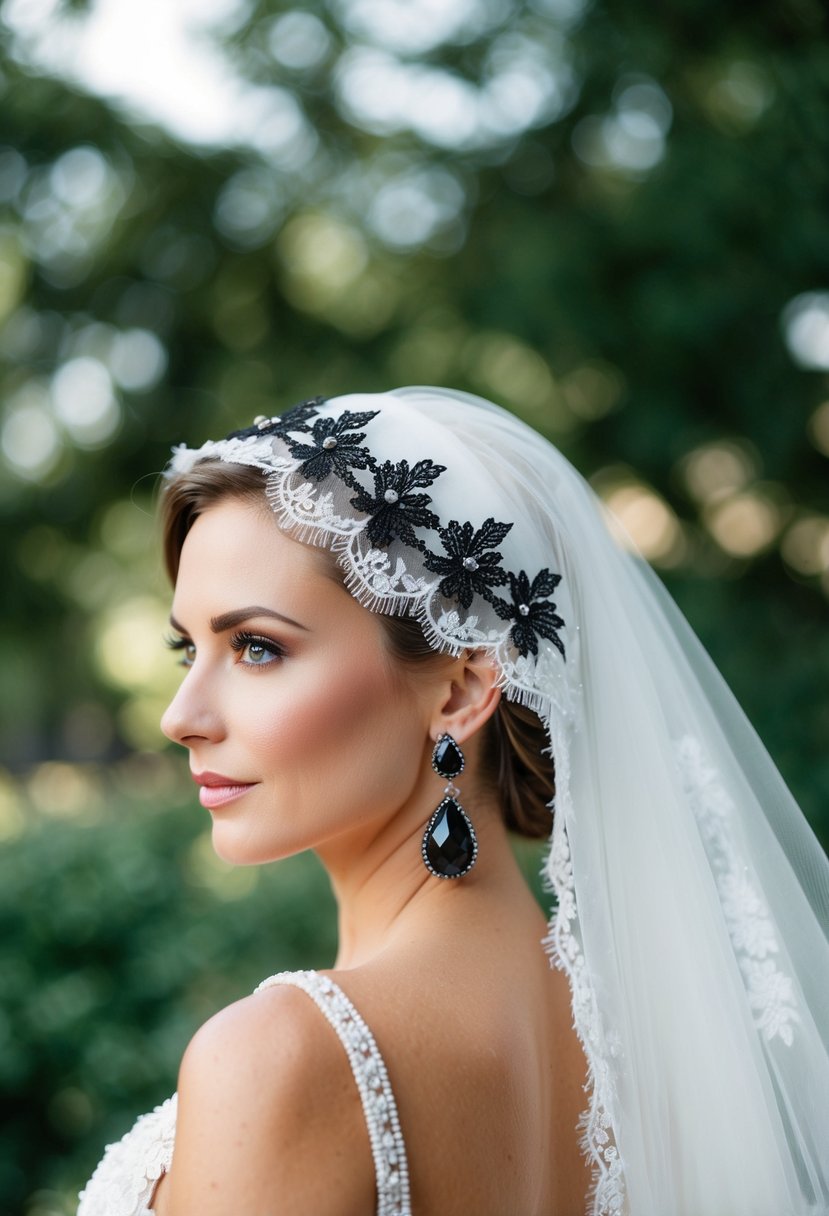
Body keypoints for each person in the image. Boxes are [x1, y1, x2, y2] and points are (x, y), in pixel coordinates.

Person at [78, 387, 829, 1216]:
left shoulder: (280, 1058)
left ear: (462, 690)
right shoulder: (676, 1049)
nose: (179, 717)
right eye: (188, 647)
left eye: (257, 648)